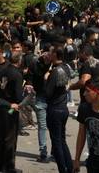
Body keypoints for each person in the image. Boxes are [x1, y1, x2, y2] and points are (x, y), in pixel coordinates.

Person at [44, 45, 75, 173]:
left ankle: (63, 169)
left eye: (50, 53)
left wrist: (46, 79)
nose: (48, 54)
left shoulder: (55, 72)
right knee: (61, 140)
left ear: (55, 55)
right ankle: (69, 167)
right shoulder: (66, 68)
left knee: (57, 143)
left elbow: (48, 93)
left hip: (55, 110)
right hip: (63, 108)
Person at [0, 51, 24, 173]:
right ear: (19, 61)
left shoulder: (2, 71)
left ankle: (0, 165)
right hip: (11, 108)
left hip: (1, 106)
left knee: (1, 136)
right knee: (10, 138)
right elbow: (18, 96)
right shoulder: (17, 74)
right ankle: (9, 166)